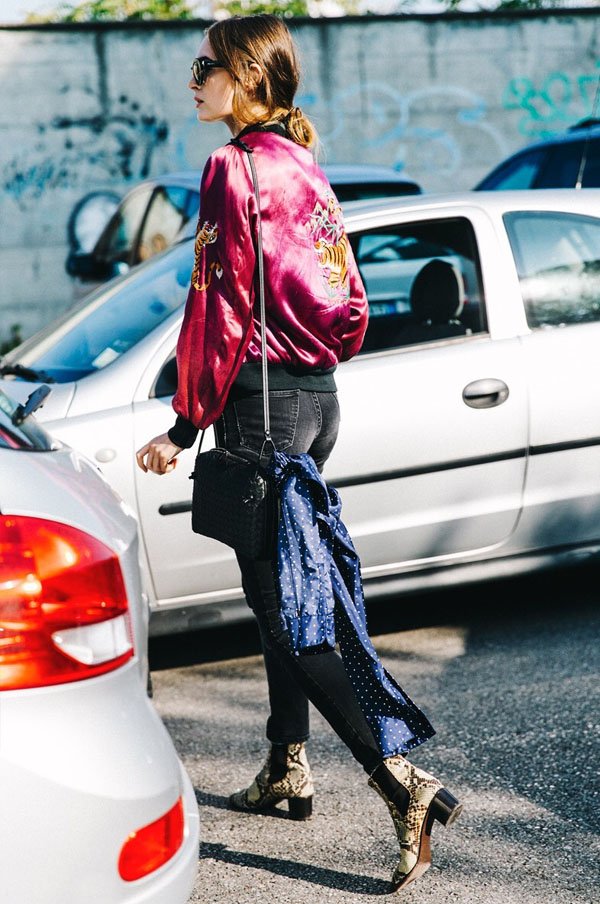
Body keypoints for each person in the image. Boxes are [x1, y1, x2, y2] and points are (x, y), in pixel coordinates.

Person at [136, 14, 461, 891]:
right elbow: (349, 299)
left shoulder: (232, 167)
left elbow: (219, 310)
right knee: (279, 591)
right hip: (317, 402)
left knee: (287, 611)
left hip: (259, 411)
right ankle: (287, 767)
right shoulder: (305, 168)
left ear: (245, 76)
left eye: (204, 67)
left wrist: (182, 424)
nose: (192, 81)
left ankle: (401, 782)